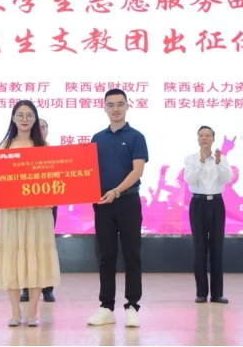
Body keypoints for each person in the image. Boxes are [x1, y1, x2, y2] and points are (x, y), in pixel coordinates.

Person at [0, 101, 61, 327]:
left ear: (35, 119)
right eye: (20, 115)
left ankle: (32, 313)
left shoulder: (44, 146)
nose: (24, 119)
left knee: (37, 258)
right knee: (12, 259)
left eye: (29, 115)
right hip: (12, 213)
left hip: (38, 212)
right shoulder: (4, 146)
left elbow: (54, 179)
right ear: (13, 118)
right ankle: (15, 312)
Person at [87, 89, 148, 328]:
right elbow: (87, 171)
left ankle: (132, 306)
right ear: (104, 108)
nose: (115, 109)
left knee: (132, 255)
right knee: (106, 256)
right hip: (103, 203)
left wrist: (116, 191)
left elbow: (137, 171)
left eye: (120, 104)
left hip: (128, 201)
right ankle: (106, 307)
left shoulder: (136, 137)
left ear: (127, 107)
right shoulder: (96, 138)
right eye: (111, 104)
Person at [183, 125, 233, 304]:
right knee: (200, 248)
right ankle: (201, 293)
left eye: (207, 135)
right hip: (198, 204)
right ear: (197, 138)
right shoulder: (191, 159)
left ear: (213, 139)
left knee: (217, 248)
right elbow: (189, 179)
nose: (204, 138)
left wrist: (218, 163)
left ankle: (217, 294)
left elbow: (228, 179)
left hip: (217, 204)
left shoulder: (221, 158)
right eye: (201, 135)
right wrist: (202, 162)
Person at [21, 117, 58, 303]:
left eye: (44, 127)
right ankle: (26, 288)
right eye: (38, 127)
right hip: (26, 206)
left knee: (45, 246)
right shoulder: (22, 151)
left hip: (48, 205)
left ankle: (47, 289)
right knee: (26, 245)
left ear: (47, 131)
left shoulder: (53, 152)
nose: (41, 130)